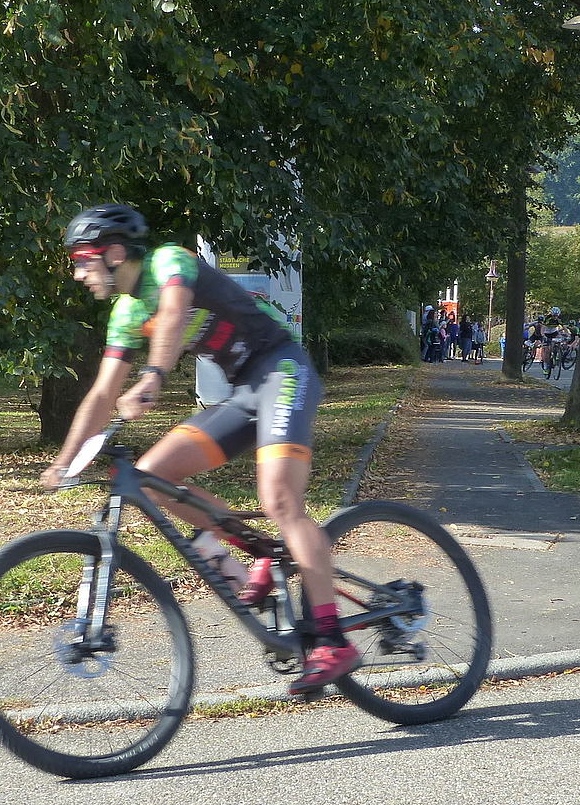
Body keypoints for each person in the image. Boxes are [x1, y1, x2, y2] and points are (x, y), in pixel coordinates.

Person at [46, 204, 358, 692]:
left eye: (82, 260)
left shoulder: (170, 262)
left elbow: (174, 312)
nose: (78, 273)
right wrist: (64, 461)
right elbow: (103, 393)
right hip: (244, 391)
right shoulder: (127, 312)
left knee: (279, 499)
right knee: (153, 477)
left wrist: (154, 374)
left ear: (114, 253)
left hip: (283, 370)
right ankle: (257, 553)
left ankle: (332, 640)